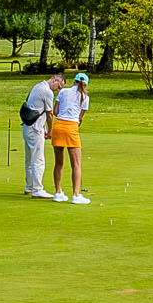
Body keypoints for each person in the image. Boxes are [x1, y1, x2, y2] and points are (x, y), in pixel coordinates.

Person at [49, 71, 91, 204]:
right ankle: (76, 195)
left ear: (74, 81)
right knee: (76, 164)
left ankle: (58, 192)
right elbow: (80, 118)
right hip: (71, 128)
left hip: (58, 127)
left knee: (59, 163)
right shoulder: (85, 97)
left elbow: (55, 111)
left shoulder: (63, 92)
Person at [20, 74, 63, 197]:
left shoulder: (38, 86)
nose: (57, 90)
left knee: (29, 159)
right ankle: (37, 189)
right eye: (59, 86)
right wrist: (50, 131)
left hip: (27, 127)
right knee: (38, 159)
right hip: (35, 128)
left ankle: (30, 186)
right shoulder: (47, 92)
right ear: (54, 79)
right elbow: (50, 114)